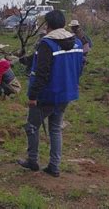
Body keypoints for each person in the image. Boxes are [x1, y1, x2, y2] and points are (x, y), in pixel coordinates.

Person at [18, 10, 84, 178]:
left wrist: (32, 96)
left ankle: (32, 160)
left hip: (46, 96)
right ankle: (54, 166)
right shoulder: (76, 43)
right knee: (55, 129)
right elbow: (79, 68)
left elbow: (41, 74)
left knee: (32, 127)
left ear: (48, 25)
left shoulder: (46, 44)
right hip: (66, 93)